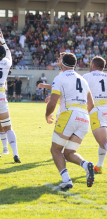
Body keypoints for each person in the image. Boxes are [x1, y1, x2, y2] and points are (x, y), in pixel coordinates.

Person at [46, 53, 95, 190]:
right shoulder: (82, 79)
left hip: (69, 115)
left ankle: (66, 180)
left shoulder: (59, 77)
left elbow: (52, 103)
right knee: (69, 153)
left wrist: (47, 114)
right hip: (84, 117)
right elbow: (90, 104)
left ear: (62, 62)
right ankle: (86, 165)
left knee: (55, 150)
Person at [83, 56, 107, 174]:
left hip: (96, 111)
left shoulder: (87, 77)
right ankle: (99, 166)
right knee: (104, 140)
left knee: (103, 141)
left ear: (92, 65)